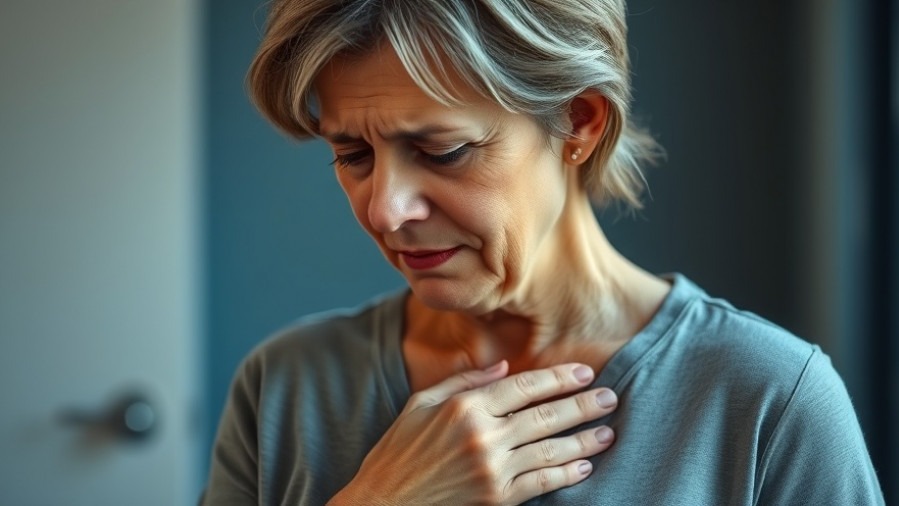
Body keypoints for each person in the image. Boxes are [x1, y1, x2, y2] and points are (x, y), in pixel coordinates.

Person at [202, 0, 885, 504]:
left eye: (442, 150)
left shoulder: (768, 402)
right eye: (351, 154)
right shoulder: (284, 389)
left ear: (578, 122)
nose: (384, 208)